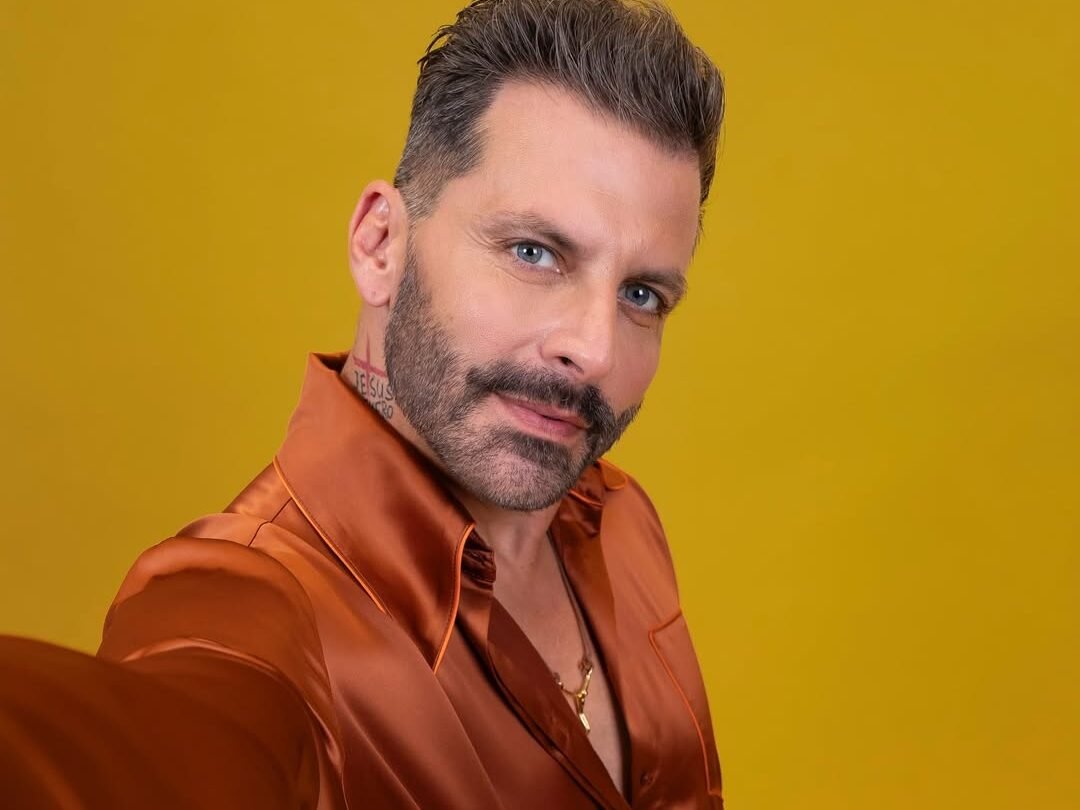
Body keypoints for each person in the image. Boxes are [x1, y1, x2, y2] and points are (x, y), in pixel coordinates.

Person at [0, 0, 725, 807]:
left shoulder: (621, 520)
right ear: (381, 245)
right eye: (534, 252)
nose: (594, 350)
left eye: (641, 294)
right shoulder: (255, 601)